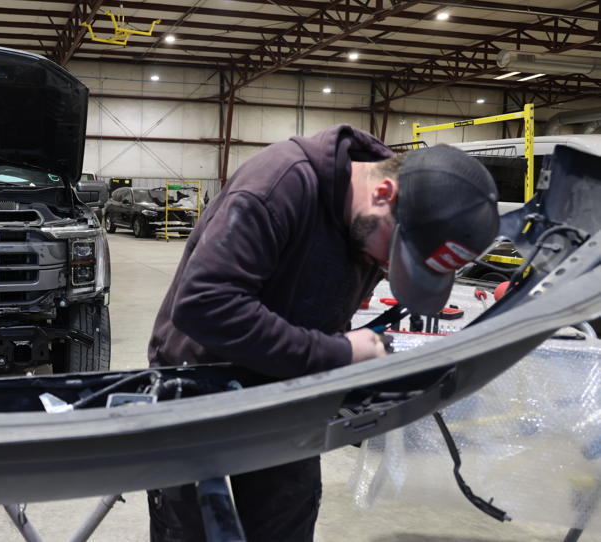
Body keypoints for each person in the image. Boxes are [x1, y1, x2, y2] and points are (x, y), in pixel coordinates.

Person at [146, 124, 500, 542]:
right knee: (195, 532)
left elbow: (325, 309)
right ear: (383, 194)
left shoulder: (372, 221)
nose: (386, 268)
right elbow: (204, 306)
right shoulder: (278, 185)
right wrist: (339, 353)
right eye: (394, 254)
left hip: (287, 396)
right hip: (198, 389)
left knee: (285, 525)